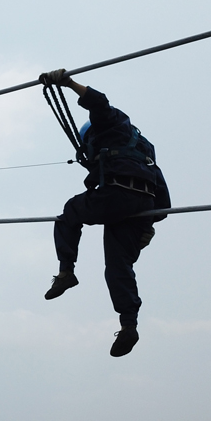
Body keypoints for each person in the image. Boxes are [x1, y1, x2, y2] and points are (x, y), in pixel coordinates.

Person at [40, 69, 170, 357]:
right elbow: (164, 203)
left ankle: (66, 271)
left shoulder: (109, 126)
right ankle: (129, 326)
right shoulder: (143, 151)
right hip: (141, 207)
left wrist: (68, 82)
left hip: (116, 196)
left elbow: (99, 102)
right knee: (118, 267)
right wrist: (147, 226)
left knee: (69, 213)